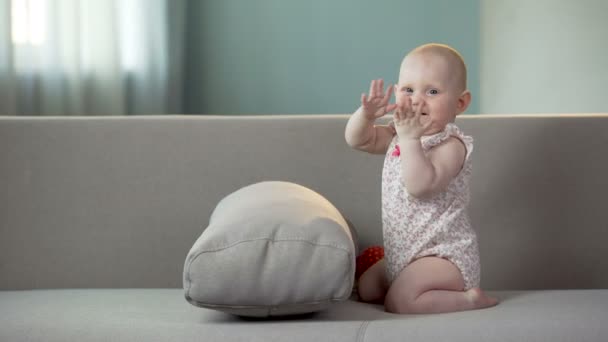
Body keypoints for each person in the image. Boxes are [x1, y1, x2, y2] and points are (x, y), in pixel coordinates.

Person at [344, 43, 498, 314]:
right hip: (402, 254)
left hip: (442, 256)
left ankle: (469, 299)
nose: (417, 100)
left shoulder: (451, 145)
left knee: (399, 302)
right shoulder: (398, 134)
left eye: (433, 91)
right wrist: (366, 115)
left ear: (460, 103)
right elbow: (358, 140)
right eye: (408, 90)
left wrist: (410, 138)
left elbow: (420, 187)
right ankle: (401, 278)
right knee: (367, 289)